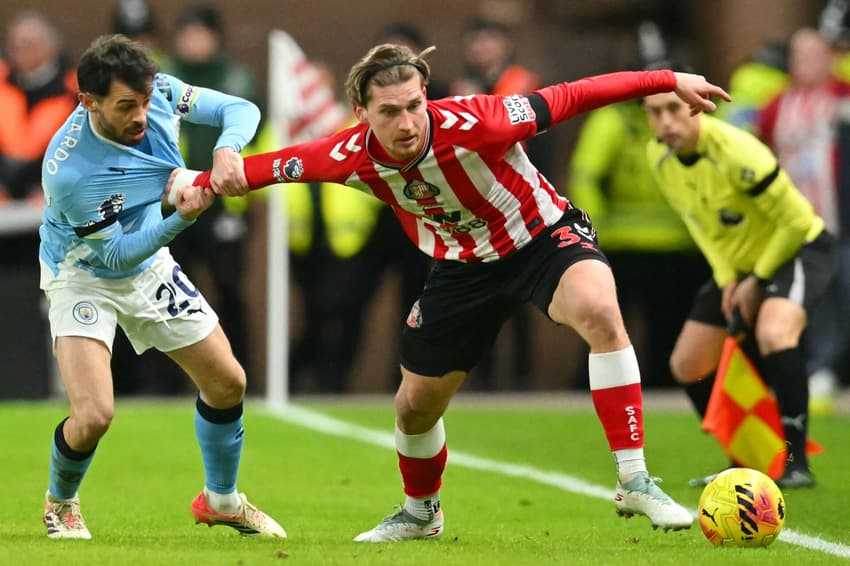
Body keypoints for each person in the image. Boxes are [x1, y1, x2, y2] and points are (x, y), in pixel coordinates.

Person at [171, 43, 729, 540]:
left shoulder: (480, 120)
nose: (408, 122)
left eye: (415, 105)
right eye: (389, 112)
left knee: (599, 310)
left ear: (426, 97)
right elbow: (262, 170)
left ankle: (635, 478)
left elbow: (575, 94)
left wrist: (666, 80)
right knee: (414, 408)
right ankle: (420, 513)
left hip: (541, 237)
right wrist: (196, 184)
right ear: (362, 115)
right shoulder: (348, 156)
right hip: (461, 268)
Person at [38, 34, 284, 540]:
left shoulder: (162, 90)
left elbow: (241, 109)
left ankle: (221, 500)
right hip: (82, 273)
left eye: (146, 102)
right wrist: (181, 219)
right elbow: (114, 256)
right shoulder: (70, 172)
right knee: (94, 414)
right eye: (127, 106)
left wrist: (225, 150)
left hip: (148, 265)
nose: (142, 115)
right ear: (89, 102)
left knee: (227, 383)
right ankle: (60, 503)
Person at [643, 88, 837, 489]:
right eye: (654, 112)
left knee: (774, 332)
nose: (665, 122)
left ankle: (795, 462)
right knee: (688, 364)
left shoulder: (736, 151)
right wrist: (728, 278)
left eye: (674, 110)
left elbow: (797, 221)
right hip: (740, 267)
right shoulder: (657, 155)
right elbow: (696, 222)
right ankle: (748, 462)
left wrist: (758, 281)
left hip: (798, 250)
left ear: (696, 107)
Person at [568, 22, 708, 389]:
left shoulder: (624, 119)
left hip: (669, 242)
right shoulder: (615, 121)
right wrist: (594, 236)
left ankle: (651, 389)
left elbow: (585, 178)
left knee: (652, 328)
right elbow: (587, 178)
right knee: (611, 326)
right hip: (629, 242)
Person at [757, 27, 850, 416]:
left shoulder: (843, 98)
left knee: (842, 290)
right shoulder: (777, 104)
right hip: (793, 221)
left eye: (815, 54)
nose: (807, 63)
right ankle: (814, 368)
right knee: (802, 296)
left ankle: (831, 366)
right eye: (800, 55)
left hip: (839, 217)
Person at [0, 10, 77, 204]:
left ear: (50, 47)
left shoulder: (72, 91)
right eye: (14, 46)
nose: (19, 52)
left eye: (28, 45)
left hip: (51, 198)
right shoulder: (3, 86)